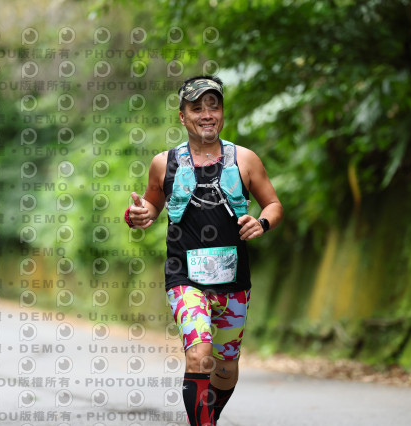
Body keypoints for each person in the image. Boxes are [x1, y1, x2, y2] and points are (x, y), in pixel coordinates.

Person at [124, 75, 283, 425]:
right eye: (197, 108)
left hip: (234, 282)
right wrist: (138, 214)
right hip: (185, 279)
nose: (207, 114)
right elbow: (151, 204)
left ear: (222, 113)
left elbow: (273, 205)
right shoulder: (164, 163)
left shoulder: (245, 160)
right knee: (199, 355)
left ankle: (206, 416)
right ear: (183, 117)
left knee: (225, 368)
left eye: (214, 106)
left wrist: (262, 222)